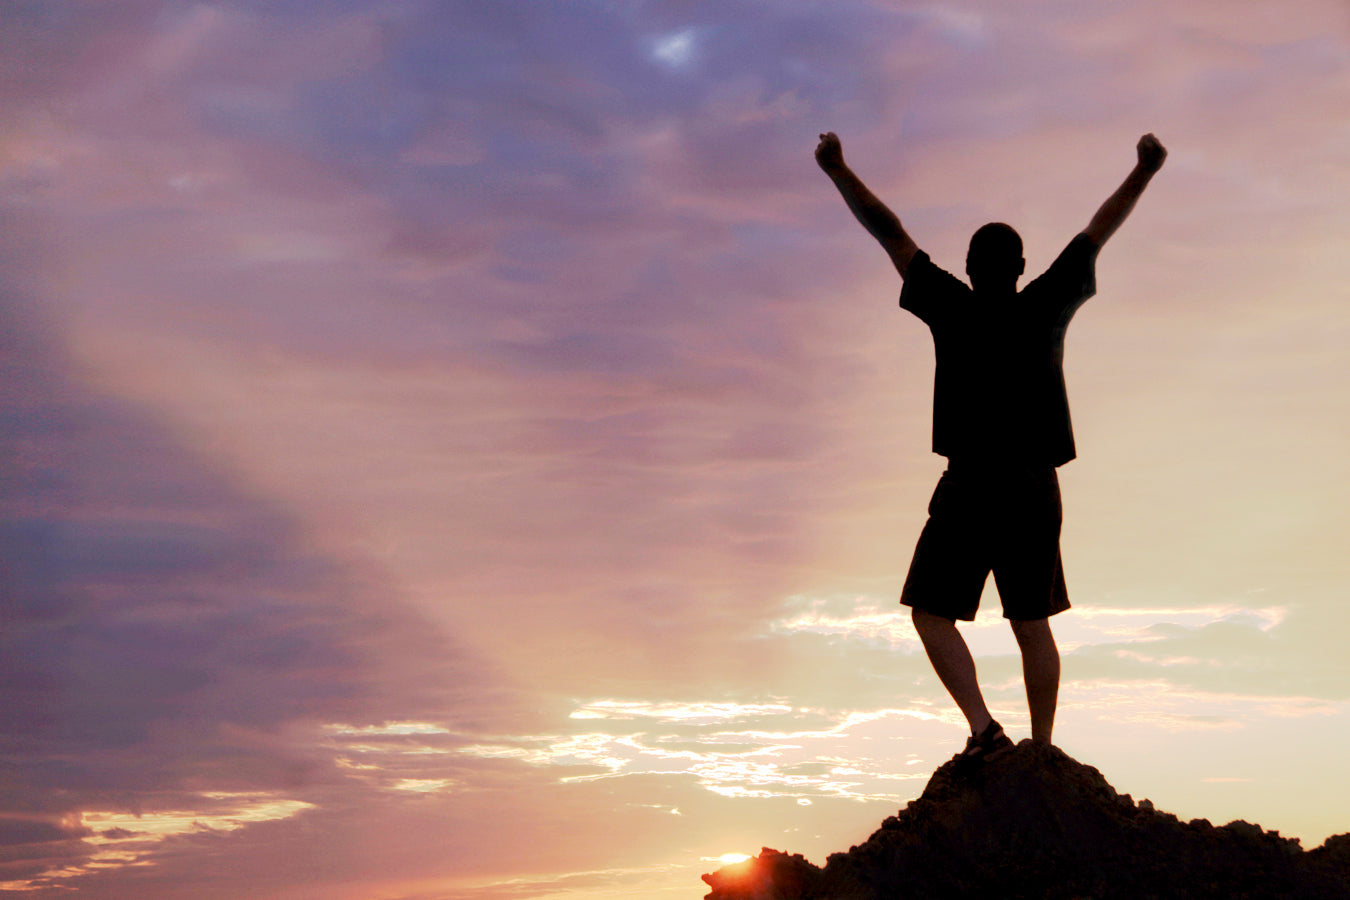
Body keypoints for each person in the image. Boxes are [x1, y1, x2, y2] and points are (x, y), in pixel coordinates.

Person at [815, 130, 1166, 761]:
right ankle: (1042, 751)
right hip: (1034, 485)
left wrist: (838, 169)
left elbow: (889, 232)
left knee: (930, 612)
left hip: (972, 482)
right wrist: (1144, 170)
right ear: (1023, 268)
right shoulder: (1047, 302)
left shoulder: (951, 305)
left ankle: (984, 731)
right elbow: (1098, 229)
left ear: (971, 268)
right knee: (1033, 624)